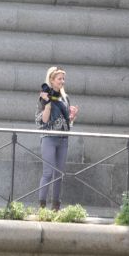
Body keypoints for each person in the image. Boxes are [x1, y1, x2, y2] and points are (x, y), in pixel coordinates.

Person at [36, 66, 79, 210]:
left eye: (63, 79)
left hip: (63, 139)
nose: (62, 81)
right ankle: (42, 207)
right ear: (52, 80)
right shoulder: (45, 96)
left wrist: (72, 117)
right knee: (48, 173)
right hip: (49, 137)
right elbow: (44, 120)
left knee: (59, 175)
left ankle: (55, 207)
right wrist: (48, 104)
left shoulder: (65, 98)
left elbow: (67, 122)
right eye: (60, 79)